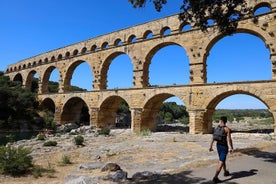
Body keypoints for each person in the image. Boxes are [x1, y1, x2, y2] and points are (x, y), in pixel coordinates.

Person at [209, 116, 234, 183]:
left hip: (218, 146)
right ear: (226, 121)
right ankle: (215, 177)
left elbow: (213, 137)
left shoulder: (216, 127)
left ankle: (225, 172)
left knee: (223, 159)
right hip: (224, 146)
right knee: (221, 161)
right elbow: (229, 139)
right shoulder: (227, 129)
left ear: (220, 121)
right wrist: (231, 147)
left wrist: (211, 146)